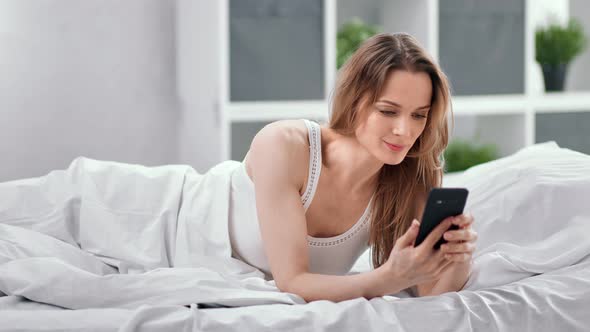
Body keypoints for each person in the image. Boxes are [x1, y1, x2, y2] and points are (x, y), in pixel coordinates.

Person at [227, 32, 478, 303]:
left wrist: (458, 257)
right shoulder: (283, 145)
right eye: (388, 111)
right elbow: (291, 281)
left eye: (418, 115)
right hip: (180, 221)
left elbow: (432, 294)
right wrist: (389, 277)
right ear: (354, 100)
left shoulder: (411, 177)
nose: (404, 131)